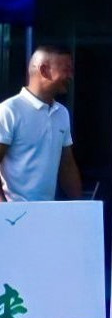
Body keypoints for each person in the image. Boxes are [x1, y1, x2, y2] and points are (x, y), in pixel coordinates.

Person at [0, 44, 79, 202]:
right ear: (44, 70)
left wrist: (81, 207)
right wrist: (5, 210)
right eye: (66, 70)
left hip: (46, 212)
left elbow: (67, 166)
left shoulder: (61, 113)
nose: (71, 76)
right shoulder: (9, 111)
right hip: (15, 213)